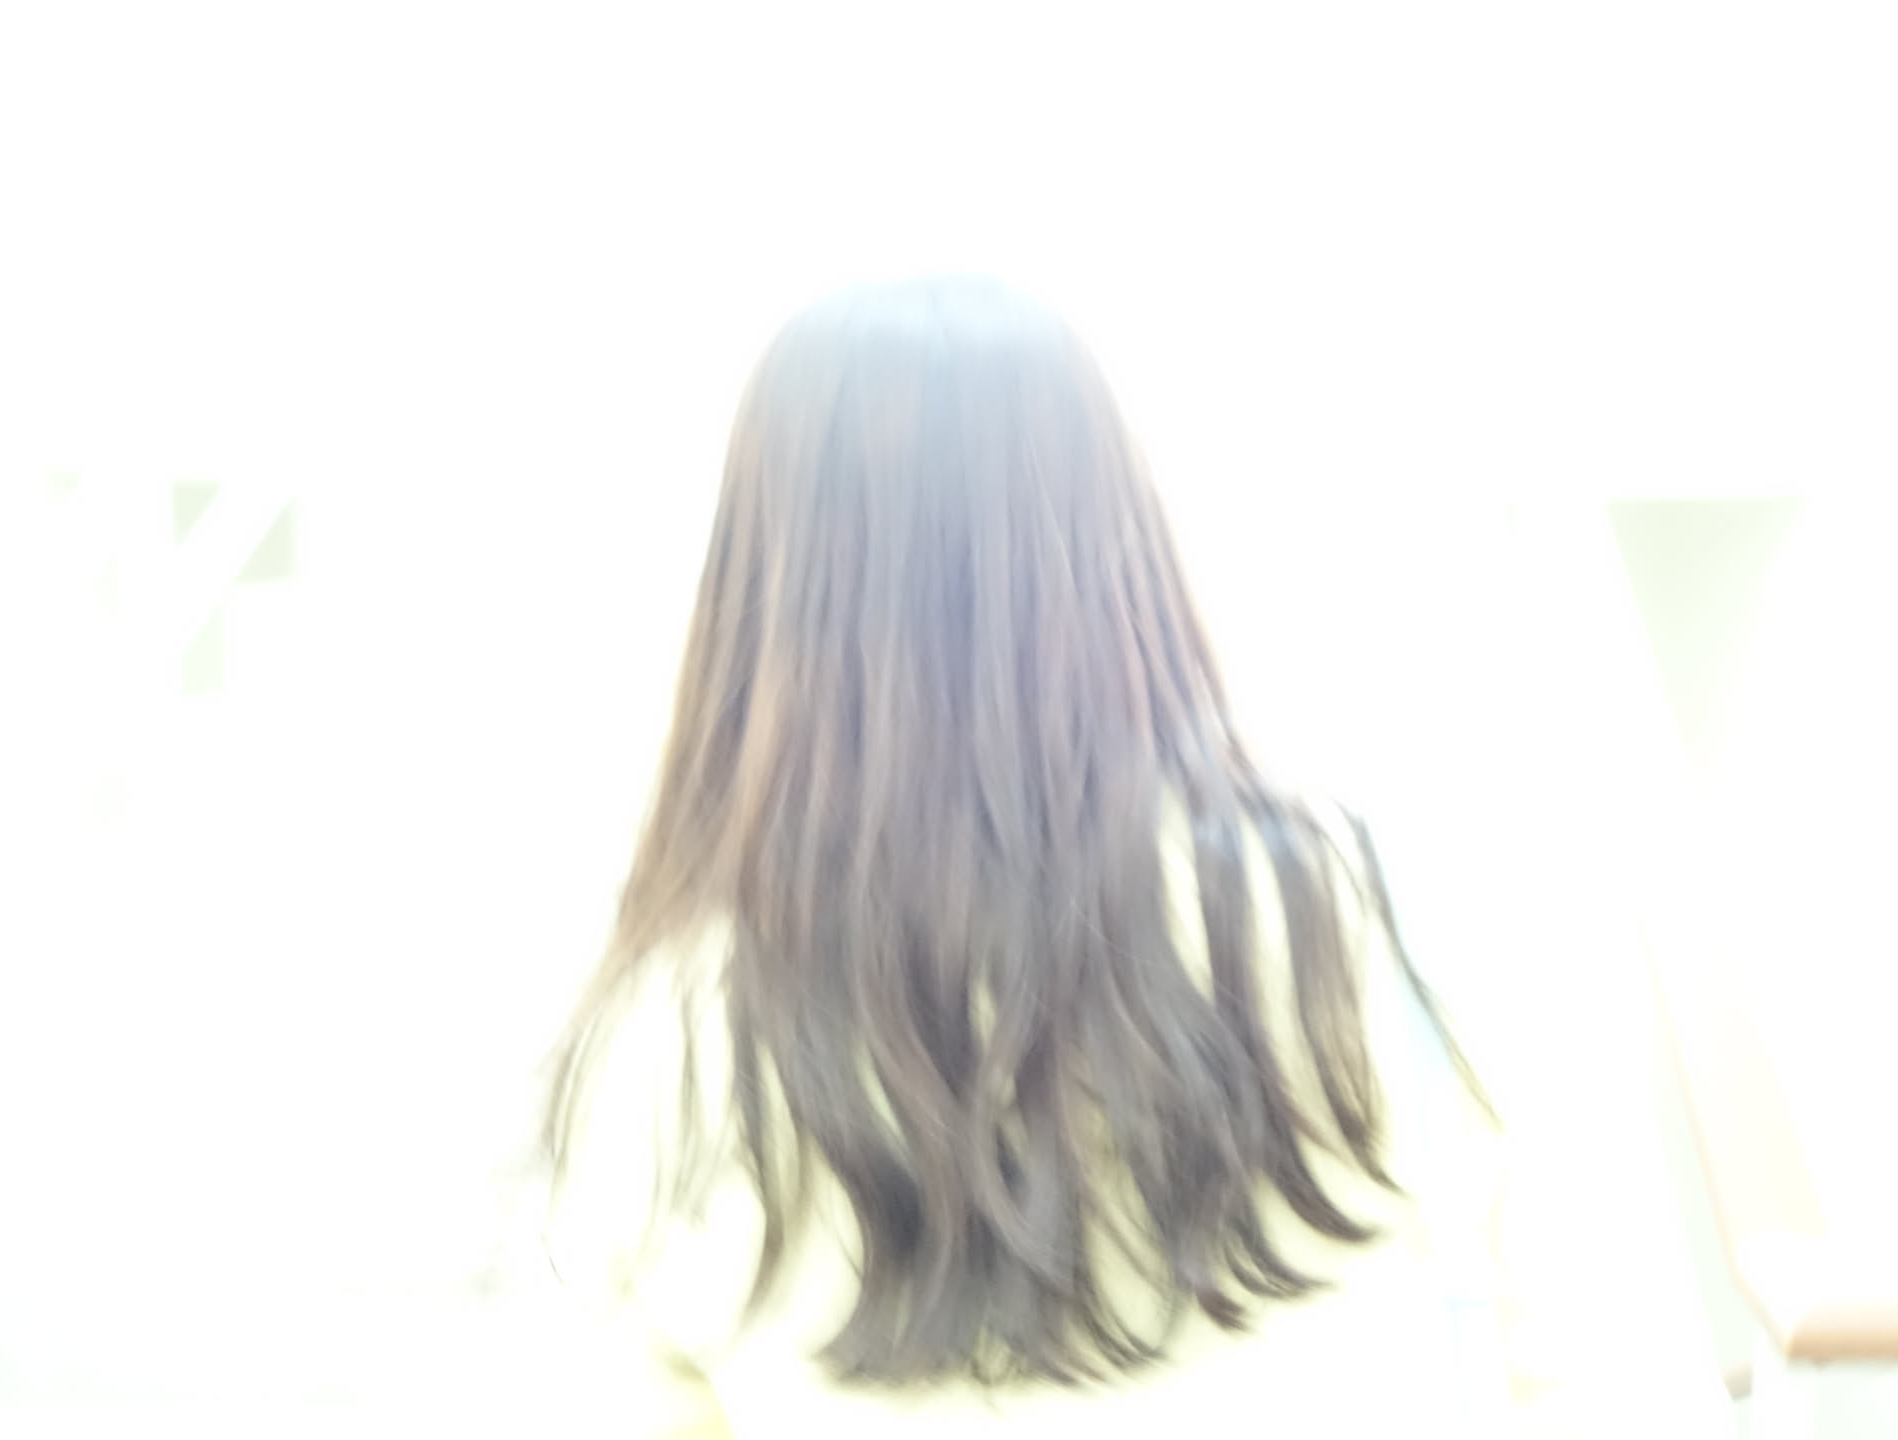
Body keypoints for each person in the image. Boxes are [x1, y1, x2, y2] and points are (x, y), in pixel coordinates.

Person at [538, 274, 1731, 1437]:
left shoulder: (662, 1044)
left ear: (762, 583)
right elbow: (1618, 1372)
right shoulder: (1387, 919)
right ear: (1115, 535)